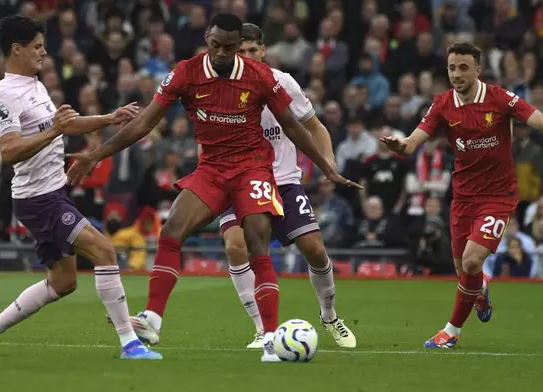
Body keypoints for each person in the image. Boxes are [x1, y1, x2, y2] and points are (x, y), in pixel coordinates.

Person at [67, 13, 360, 362]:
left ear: (242, 47)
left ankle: (270, 339)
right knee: (172, 228)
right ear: (207, 37)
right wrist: (96, 154)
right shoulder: (186, 72)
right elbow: (144, 122)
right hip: (212, 169)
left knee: (257, 242)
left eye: (231, 47)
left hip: (253, 168)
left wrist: (326, 165)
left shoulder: (262, 76)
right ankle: (152, 319)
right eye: (215, 44)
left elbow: (296, 128)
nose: (221, 53)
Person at [0, 15, 161, 360]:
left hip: (53, 192)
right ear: (16, 49)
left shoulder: (35, 85)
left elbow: (64, 125)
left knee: (64, 281)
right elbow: (9, 151)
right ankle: (130, 343)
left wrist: (109, 118)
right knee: (105, 251)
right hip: (38, 198)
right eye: (37, 46)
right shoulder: (5, 94)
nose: (43, 52)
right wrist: (54, 131)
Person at [380, 41, 543, 348]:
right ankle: (480, 291)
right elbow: (413, 142)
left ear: (478, 70)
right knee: (464, 271)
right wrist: (400, 145)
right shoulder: (443, 104)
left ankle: (450, 332)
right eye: (452, 68)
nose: (456, 74)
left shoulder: (499, 98)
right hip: (463, 198)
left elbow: (536, 119)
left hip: (498, 195)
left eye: (464, 67)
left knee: (470, 262)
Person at [217, 24, 356, 349]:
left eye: (253, 50)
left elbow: (315, 127)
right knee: (236, 246)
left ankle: (330, 316)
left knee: (315, 250)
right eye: (242, 51)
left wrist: (329, 163)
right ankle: (262, 330)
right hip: (237, 181)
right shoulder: (221, 88)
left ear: (263, 51)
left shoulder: (283, 83)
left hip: (284, 182)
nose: (248, 56)